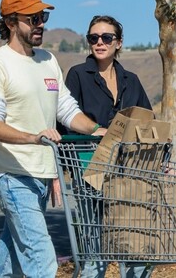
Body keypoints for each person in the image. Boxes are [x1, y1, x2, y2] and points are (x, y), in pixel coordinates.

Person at [0, 0, 106, 278]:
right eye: (32, 18)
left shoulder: (47, 61)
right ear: (10, 22)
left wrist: (98, 129)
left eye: (42, 16)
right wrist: (34, 137)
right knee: (42, 259)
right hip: (13, 176)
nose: (40, 24)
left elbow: (67, 109)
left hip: (42, 176)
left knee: (10, 259)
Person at [58, 15, 154, 278]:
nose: (99, 42)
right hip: (91, 169)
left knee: (133, 244)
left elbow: (147, 120)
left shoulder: (131, 80)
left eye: (106, 37)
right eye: (93, 38)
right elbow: (66, 121)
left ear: (119, 43)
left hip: (128, 174)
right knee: (95, 246)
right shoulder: (78, 75)